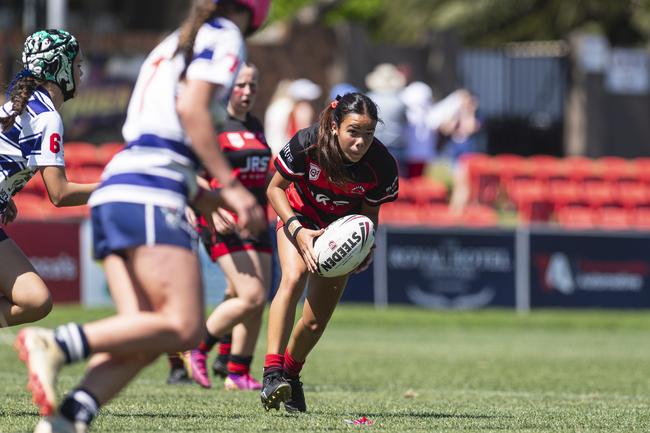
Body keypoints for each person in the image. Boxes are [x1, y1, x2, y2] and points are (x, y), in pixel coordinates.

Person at [15, 1, 269, 432]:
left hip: (124, 186)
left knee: (145, 333)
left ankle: (66, 420)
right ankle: (56, 342)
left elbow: (161, 134)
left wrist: (211, 199)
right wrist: (231, 188)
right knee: (184, 327)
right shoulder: (225, 33)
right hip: (151, 190)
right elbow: (191, 110)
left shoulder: (176, 41)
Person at [259, 92, 399, 413]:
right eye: (353, 131)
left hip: (338, 233)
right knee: (293, 279)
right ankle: (271, 373)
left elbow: (370, 213)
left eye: (368, 134)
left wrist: (367, 242)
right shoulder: (307, 144)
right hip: (299, 218)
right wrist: (297, 229)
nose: (361, 142)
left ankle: (291, 378)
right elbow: (274, 188)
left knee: (314, 322)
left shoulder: (381, 165)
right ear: (335, 126)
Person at [180, 62, 273, 391]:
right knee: (251, 295)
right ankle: (197, 347)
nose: (247, 92)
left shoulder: (255, 124)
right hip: (220, 217)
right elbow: (192, 168)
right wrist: (204, 206)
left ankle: (237, 371)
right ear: (226, 87)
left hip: (255, 218)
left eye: (252, 86)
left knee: (256, 299)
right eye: (240, 85)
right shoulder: (213, 121)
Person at [0, 29, 97, 327]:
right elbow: (59, 194)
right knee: (35, 301)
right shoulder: (47, 117)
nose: (81, 72)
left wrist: (4, 196)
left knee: (35, 300)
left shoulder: (22, 107)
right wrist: (115, 188)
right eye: (77, 65)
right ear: (60, 68)